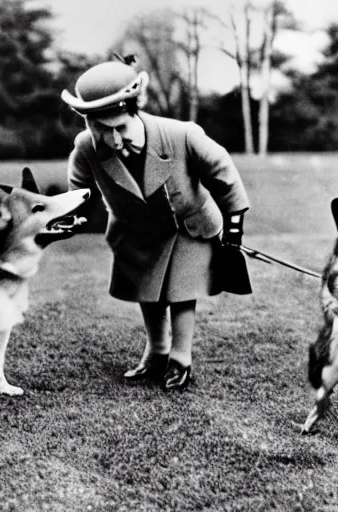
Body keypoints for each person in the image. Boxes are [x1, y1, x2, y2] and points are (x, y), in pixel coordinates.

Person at [61, 59, 251, 391]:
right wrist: (67, 216)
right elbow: (80, 193)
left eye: (120, 128)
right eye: (103, 132)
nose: (115, 140)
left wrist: (233, 227)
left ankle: (181, 359)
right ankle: (157, 351)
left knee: (181, 291)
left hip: (187, 226)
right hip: (134, 232)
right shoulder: (85, 149)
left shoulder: (183, 135)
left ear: (134, 109)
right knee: (147, 292)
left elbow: (225, 176)